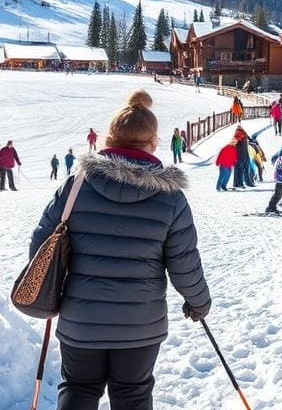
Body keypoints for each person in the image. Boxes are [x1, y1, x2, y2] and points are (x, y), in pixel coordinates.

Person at [29, 89, 210, 409]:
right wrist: (199, 303)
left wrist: (50, 291)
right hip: (140, 324)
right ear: (153, 141)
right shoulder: (171, 198)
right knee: (133, 394)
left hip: (80, 319)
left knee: (78, 388)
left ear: (108, 138)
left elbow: (42, 246)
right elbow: (184, 262)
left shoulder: (76, 185)